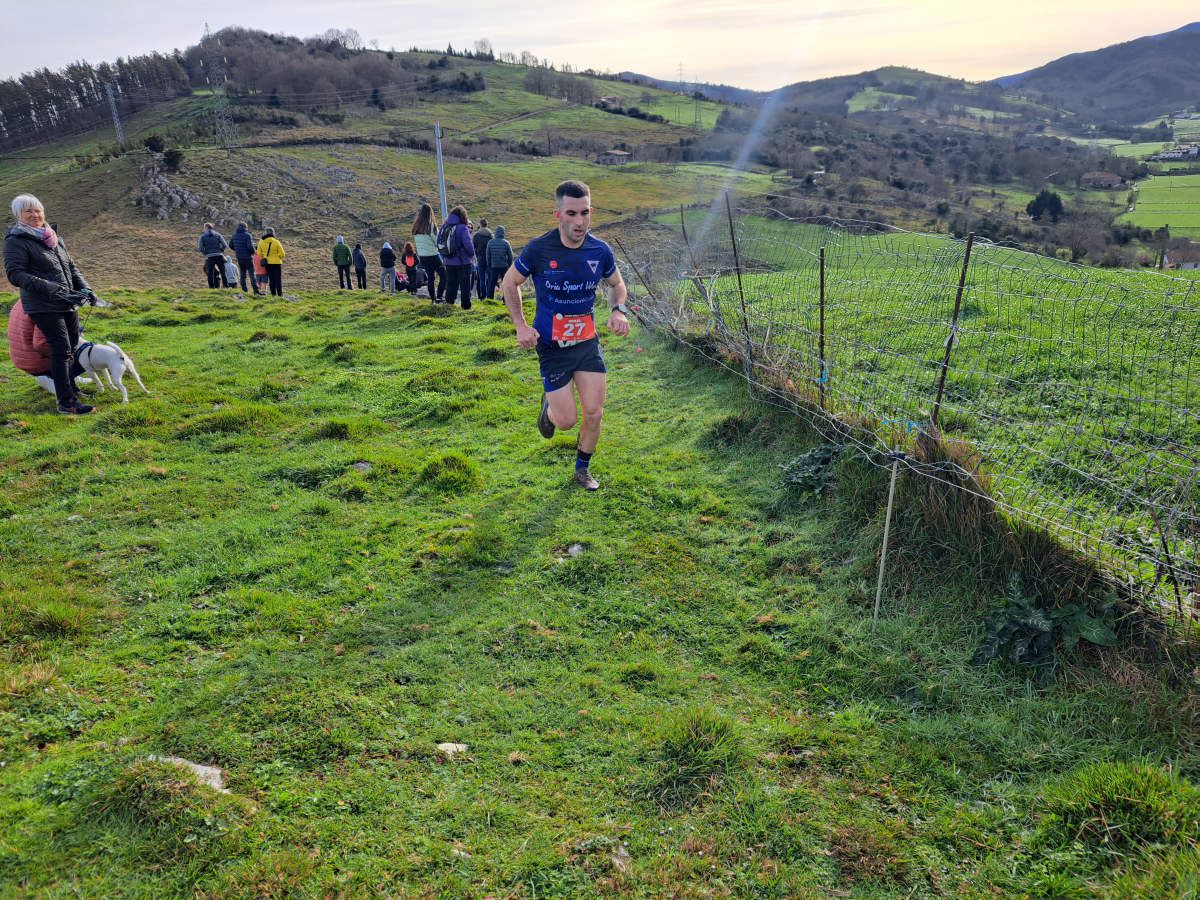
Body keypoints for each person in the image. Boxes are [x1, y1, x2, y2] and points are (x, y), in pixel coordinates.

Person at [501, 180, 630, 491]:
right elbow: (509, 283)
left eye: (585, 213)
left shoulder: (600, 250)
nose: (579, 221)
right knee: (566, 422)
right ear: (558, 215)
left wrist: (619, 311)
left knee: (594, 412)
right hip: (552, 347)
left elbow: (616, 285)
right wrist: (520, 326)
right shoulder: (539, 249)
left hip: (586, 343)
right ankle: (550, 406)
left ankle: (582, 470)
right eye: (571, 213)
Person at [4, 193, 98, 414]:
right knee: (61, 350)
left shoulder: (52, 236)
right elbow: (15, 274)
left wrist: (87, 288)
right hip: (42, 305)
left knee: (72, 344)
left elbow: (71, 267)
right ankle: (66, 403)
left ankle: (71, 390)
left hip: (67, 301)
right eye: (29, 211)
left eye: (38, 210)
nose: (35, 215)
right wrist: (50, 287)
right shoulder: (15, 241)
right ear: (18, 216)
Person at [6, 296, 89, 397]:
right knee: (86, 355)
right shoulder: (46, 306)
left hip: (21, 356)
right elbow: (41, 344)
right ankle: (53, 381)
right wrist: (69, 352)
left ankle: (69, 378)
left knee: (73, 345)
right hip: (36, 361)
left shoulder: (26, 297)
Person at [439, 204, 474, 310]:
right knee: (465, 286)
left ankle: (449, 305)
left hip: (448, 261)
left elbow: (439, 242)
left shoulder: (444, 226)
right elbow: (469, 246)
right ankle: (466, 307)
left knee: (451, 284)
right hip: (463, 262)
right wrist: (471, 254)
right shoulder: (463, 228)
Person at [412, 203, 445, 302]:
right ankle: (439, 297)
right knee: (444, 275)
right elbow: (437, 241)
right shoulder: (431, 225)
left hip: (422, 256)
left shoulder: (417, 226)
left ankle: (433, 299)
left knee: (431, 278)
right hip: (433, 255)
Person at [229, 222, 261, 294]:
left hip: (239, 257)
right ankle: (256, 292)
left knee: (243, 275)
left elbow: (230, 245)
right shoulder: (247, 235)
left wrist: (237, 250)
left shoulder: (234, 235)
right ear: (245, 227)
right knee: (252, 274)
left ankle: (244, 291)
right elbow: (250, 247)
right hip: (248, 258)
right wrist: (254, 252)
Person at [485, 225, 513, 300]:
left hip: (494, 266)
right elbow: (511, 256)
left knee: (492, 283)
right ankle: (505, 299)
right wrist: (509, 265)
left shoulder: (490, 242)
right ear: (503, 233)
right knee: (505, 284)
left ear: (496, 232)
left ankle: (490, 298)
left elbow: (488, 256)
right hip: (504, 267)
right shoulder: (506, 243)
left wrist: (489, 265)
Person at [198, 223, 229, 288]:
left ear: (206, 227)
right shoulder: (218, 235)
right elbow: (225, 245)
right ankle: (225, 286)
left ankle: (212, 288)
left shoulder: (202, 236)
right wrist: (220, 251)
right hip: (219, 255)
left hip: (209, 257)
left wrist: (206, 253)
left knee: (210, 273)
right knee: (223, 272)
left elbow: (200, 248)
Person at [256, 228, 285, 296]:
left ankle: (273, 294)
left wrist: (265, 255)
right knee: (278, 279)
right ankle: (280, 294)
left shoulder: (261, 242)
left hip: (268, 263)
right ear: (273, 233)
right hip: (277, 263)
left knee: (271, 279)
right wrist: (277, 257)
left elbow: (259, 253)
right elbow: (282, 254)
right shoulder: (276, 242)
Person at [472, 217, 493, 300]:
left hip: (480, 259)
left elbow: (473, 247)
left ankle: (482, 297)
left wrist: (477, 253)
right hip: (489, 259)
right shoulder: (491, 235)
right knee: (489, 278)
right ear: (487, 225)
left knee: (481, 278)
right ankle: (489, 296)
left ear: (480, 225)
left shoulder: (476, 235)